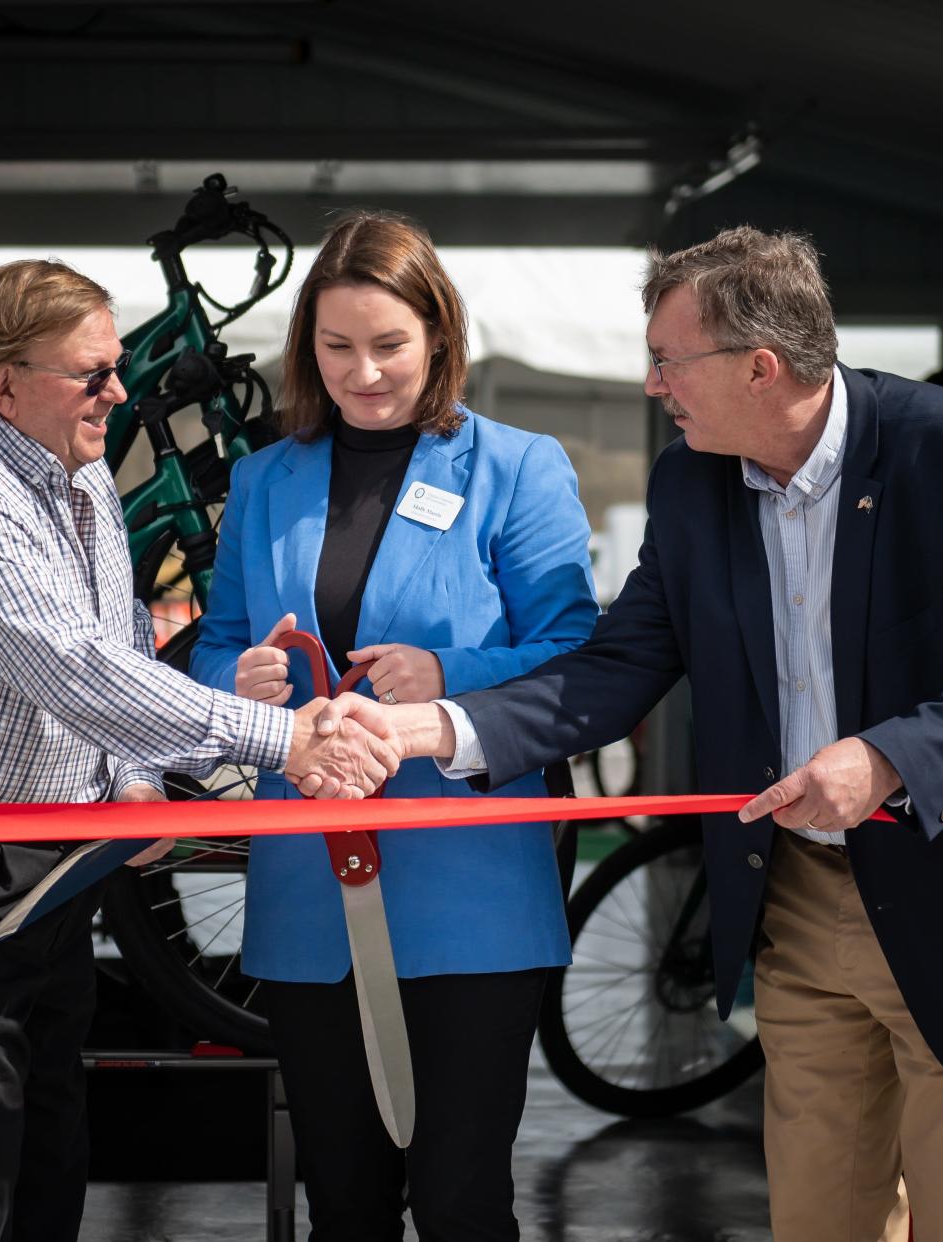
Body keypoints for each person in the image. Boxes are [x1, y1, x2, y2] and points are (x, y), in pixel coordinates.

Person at [318, 226, 943, 1242]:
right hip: (798, 902)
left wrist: (890, 754)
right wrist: (431, 728)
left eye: (670, 361)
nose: (652, 387)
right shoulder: (692, 484)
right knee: (818, 1220)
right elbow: (614, 669)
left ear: (761, 367)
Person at [0, 259, 397, 1242]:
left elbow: (117, 631)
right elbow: (71, 670)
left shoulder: (77, 466)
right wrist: (284, 739)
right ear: (1, 383)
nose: (118, 390)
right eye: (91, 372)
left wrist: (133, 783)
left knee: (46, 1156)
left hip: (53, 859)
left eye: (115, 365)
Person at [190, 211, 599, 1242]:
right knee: (347, 1205)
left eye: (388, 345)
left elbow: (579, 657)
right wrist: (239, 680)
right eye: (336, 347)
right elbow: (208, 653)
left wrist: (446, 675)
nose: (362, 372)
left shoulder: (519, 467)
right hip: (310, 893)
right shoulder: (261, 480)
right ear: (305, 348)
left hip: (472, 898)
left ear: (439, 339)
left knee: (463, 1203)